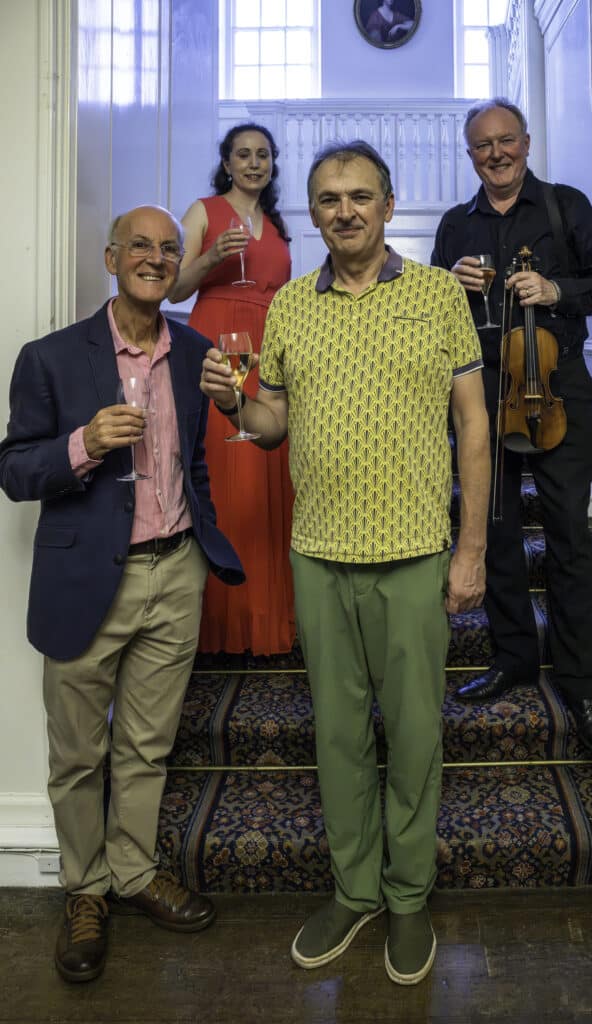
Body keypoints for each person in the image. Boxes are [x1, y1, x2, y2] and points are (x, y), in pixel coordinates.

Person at [200, 141, 490, 985]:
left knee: (415, 733)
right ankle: (355, 889)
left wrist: (470, 548)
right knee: (336, 734)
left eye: (360, 196)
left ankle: (407, 897)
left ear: (388, 206)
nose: (345, 210)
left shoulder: (436, 295)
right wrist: (233, 403)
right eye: (329, 199)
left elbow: (472, 425)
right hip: (320, 555)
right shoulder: (290, 305)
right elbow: (271, 424)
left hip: (413, 554)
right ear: (315, 214)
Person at [0, 205, 244, 984]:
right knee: (78, 753)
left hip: (175, 573)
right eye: (140, 245)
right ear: (111, 258)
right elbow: (14, 471)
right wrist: (83, 444)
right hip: (84, 581)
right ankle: (85, 890)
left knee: (146, 744)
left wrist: (201, 543)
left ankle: (133, 872)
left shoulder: (195, 352)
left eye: (169, 249)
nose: (155, 258)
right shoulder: (50, 358)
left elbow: (194, 465)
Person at [431, 98, 592, 758]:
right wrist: (448, 285)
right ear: (470, 155)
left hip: (558, 393)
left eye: (506, 140)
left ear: (526, 142)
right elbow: (429, 314)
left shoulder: (565, 206)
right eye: (482, 145)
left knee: (568, 537)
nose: (496, 153)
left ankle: (578, 681)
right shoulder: (455, 224)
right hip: (483, 397)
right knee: (495, 531)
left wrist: (555, 290)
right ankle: (513, 656)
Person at [168, 123, 295, 655]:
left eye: (263, 155)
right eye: (243, 154)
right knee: (223, 473)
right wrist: (212, 255)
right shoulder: (203, 212)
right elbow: (174, 287)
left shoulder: (278, 224)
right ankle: (219, 622)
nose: (254, 163)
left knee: (269, 466)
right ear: (226, 163)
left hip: (268, 345)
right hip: (217, 340)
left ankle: (267, 617)